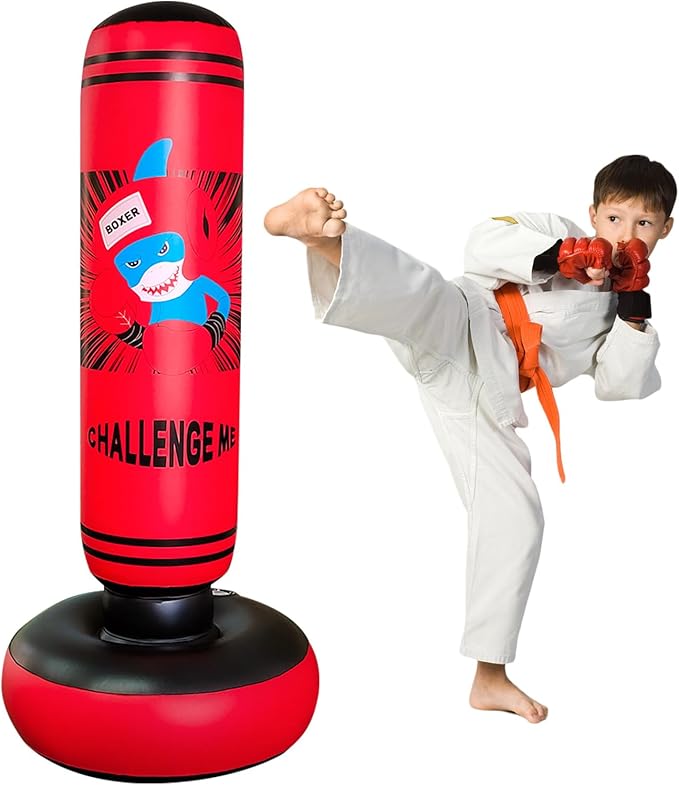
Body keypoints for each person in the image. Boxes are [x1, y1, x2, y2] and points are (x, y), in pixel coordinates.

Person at [263, 155, 675, 723]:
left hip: (488, 394)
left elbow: (621, 385)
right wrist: (560, 256)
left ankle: (489, 678)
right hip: (466, 318)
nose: (626, 234)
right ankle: (322, 237)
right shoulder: (554, 230)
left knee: (517, 517)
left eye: (644, 223)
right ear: (592, 214)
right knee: (426, 294)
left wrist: (632, 307)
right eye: (614, 218)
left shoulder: (621, 317)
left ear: (665, 230)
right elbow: (481, 244)